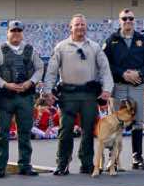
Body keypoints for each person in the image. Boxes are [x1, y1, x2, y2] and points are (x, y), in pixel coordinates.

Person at [43, 15, 112, 176]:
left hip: (88, 95)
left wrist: (107, 89)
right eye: (77, 25)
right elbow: (52, 71)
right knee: (65, 129)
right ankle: (62, 163)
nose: (80, 27)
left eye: (83, 24)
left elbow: (105, 70)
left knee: (88, 130)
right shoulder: (61, 47)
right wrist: (48, 91)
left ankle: (87, 163)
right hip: (68, 95)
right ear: (71, 28)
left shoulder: (94, 47)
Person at [103, 11, 144, 172]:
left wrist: (139, 73)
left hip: (136, 85)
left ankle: (137, 157)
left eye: (131, 18)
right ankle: (113, 159)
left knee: (138, 121)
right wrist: (123, 73)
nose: (128, 21)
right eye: (124, 18)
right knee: (116, 122)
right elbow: (105, 62)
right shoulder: (112, 40)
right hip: (118, 85)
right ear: (119, 21)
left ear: (134, 20)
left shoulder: (142, 39)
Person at [0, 21, 42, 176]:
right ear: (8, 33)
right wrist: (5, 84)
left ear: (22, 33)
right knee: (2, 133)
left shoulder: (30, 50)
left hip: (25, 96)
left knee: (25, 132)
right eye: (13, 30)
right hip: (5, 97)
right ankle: (0, 167)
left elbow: (40, 68)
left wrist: (31, 82)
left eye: (19, 30)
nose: (16, 33)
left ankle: (25, 165)